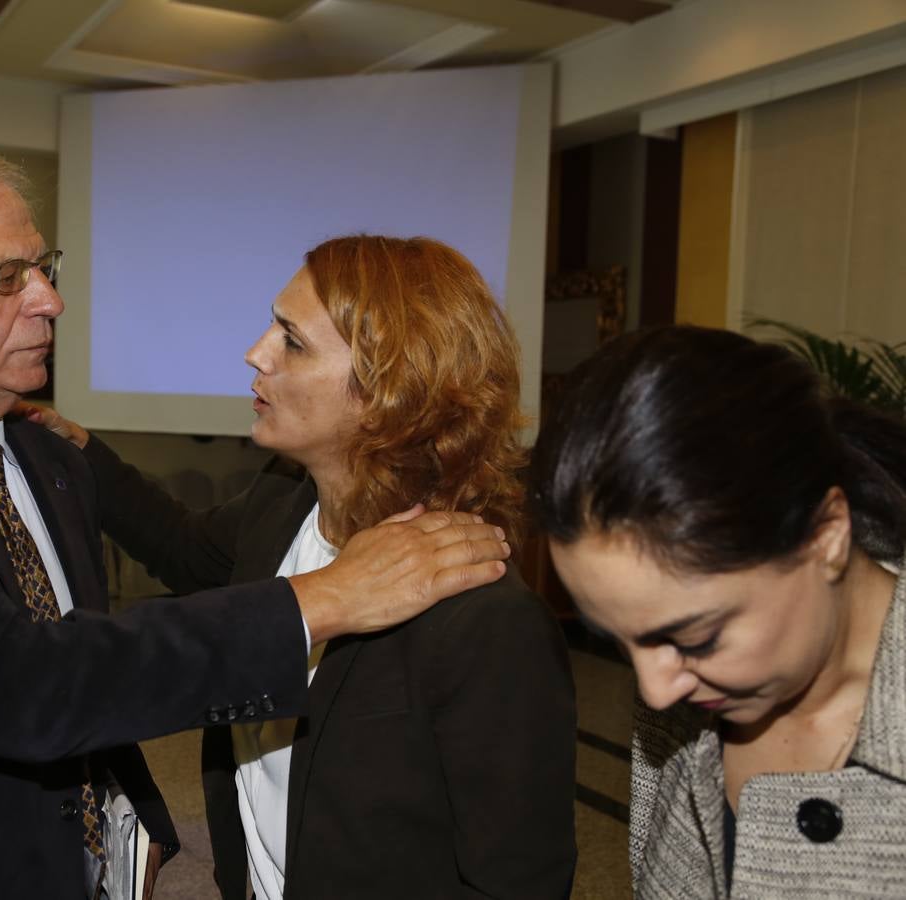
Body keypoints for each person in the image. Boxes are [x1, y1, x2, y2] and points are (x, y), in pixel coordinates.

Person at [0, 139, 512, 899]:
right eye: (7, 276)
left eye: (43, 268)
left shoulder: (48, 460)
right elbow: (12, 682)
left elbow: (91, 655)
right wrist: (328, 597)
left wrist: (136, 819)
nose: (50, 299)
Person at [32, 235, 578, 898]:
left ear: (388, 390)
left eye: (291, 340)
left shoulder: (482, 619)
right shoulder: (282, 498)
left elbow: (517, 879)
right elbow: (184, 549)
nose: (255, 352)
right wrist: (81, 450)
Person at [528, 325, 906, 897]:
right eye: (620, 643)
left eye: (699, 638)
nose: (656, 691)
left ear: (826, 535)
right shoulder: (687, 694)